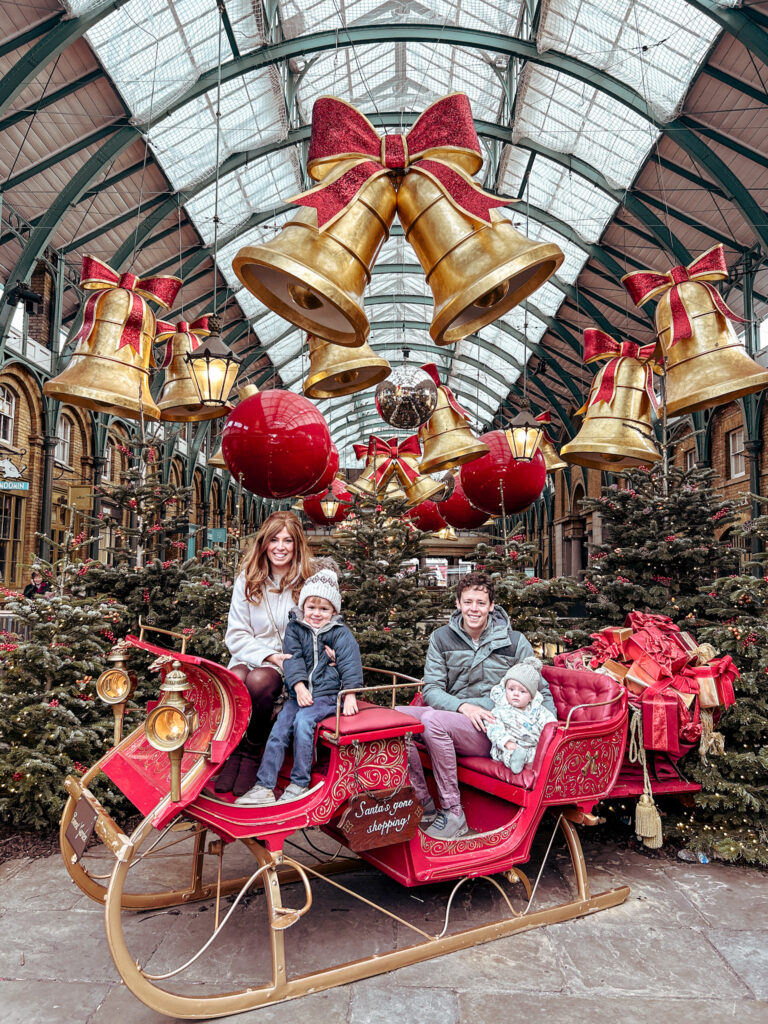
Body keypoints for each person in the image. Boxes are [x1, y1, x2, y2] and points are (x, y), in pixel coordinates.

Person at [400, 571, 556, 840]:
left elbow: (540, 691)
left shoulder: (514, 641)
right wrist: (462, 707)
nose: (474, 609)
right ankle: (422, 801)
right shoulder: (441, 638)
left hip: (497, 728)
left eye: (481, 603)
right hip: (457, 715)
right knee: (396, 718)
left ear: (491, 606)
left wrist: (546, 734)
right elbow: (433, 690)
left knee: (431, 722)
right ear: (458, 604)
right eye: (468, 602)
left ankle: (453, 811)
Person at [235, 566, 362, 806]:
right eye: (311, 607)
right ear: (303, 606)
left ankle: (299, 782)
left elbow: (350, 662)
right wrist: (300, 687)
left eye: (323, 609)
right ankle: (264, 784)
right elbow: (292, 660)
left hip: (327, 695)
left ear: (333, 611)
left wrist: (351, 695)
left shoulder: (340, 633)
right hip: (298, 695)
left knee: (304, 723)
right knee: (280, 728)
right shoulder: (295, 629)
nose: (316, 614)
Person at [216, 511, 314, 797]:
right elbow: (236, 635)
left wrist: (282, 659)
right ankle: (236, 749)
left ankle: (251, 750)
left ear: (297, 546)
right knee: (235, 677)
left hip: (289, 662)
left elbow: (318, 627)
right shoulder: (247, 580)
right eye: (274, 539)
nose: (280, 547)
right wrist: (267, 656)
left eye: (287, 540)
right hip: (251, 655)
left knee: (258, 681)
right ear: (264, 543)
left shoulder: (307, 583)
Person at [485, 657, 557, 775]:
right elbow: (494, 728)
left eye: (522, 691)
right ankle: (514, 760)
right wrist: (507, 742)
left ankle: (523, 758)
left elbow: (550, 725)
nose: (516, 694)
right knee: (503, 752)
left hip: (532, 746)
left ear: (531, 697)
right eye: (511, 689)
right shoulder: (500, 710)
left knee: (540, 755)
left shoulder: (539, 711)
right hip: (508, 745)